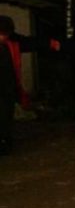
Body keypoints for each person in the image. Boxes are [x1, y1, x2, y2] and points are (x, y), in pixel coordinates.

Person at [0, 15, 61, 155]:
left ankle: (5, 143)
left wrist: (50, 43)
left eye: (5, 35)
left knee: (5, 118)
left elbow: (30, 42)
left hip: (7, 89)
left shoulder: (12, 42)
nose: (3, 38)